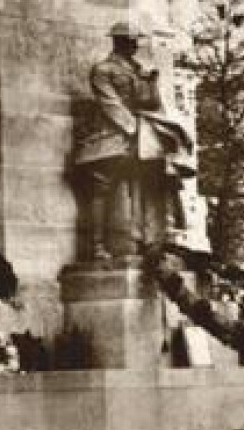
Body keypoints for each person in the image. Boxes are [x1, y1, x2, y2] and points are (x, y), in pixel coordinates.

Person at [71, 22, 196, 260]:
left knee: (158, 179)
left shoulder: (140, 71)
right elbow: (110, 104)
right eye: (131, 41)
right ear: (119, 42)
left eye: (136, 41)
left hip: (143, 136)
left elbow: (153, 105)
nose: (135, 45)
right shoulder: (103, 69)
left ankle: (151, 240)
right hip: (111, 134)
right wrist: (132, 128)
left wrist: (151, 84)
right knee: (102, 187)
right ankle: (97, 246)